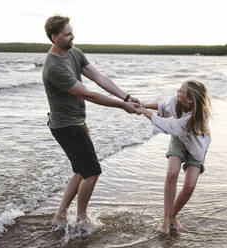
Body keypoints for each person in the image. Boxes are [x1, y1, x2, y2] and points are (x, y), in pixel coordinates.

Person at [42, 15, 140, 225]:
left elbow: (98, 77)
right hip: (66, 126)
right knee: (92, 171)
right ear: (54, 37)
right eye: (67, 34)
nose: (73, 36)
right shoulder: (54, 68)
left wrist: (126, 97)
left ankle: (60, 215)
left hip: (76, 122)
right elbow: (89, 95)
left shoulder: (73, 52)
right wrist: (123, 106)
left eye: (72, 32)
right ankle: (81, 218)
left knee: (81, 169)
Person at [136, 80, 211, 234]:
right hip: (179, 139)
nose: (177, 91)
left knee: (189, 186)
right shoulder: (176, 101)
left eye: (180, 91)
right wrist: (143, 105)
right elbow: (164, 106)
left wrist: (144, 112)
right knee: (171, 174)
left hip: (196, 147)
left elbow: (170, 126)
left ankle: (173, 216)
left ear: (189, 100)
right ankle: (165, 219)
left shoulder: (196, 118)